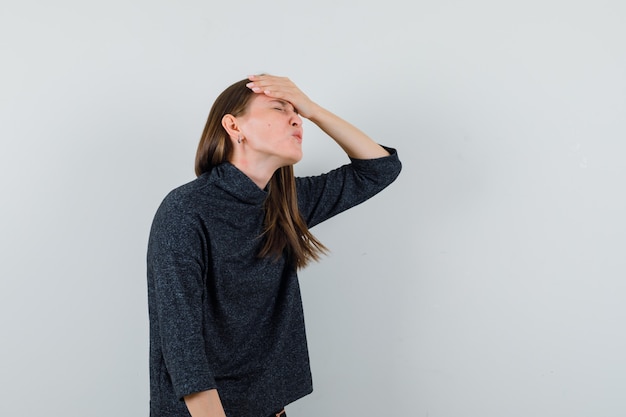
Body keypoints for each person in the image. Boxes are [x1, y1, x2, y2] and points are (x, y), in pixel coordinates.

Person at [147, 74, 402, 417]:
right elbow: (182, 345)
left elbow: (380, 168)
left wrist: (314, 110)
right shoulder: (185, 210)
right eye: (280, 108)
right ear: (234, 126)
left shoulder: (284, 204)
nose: (296, 118)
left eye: (297, 111)